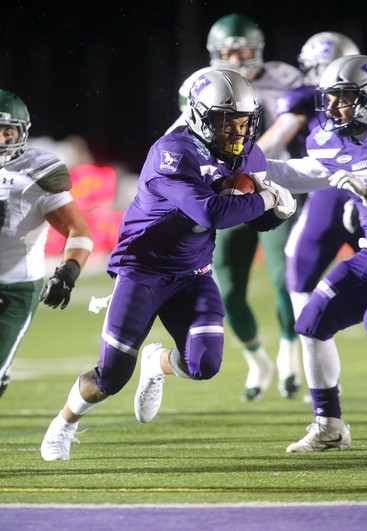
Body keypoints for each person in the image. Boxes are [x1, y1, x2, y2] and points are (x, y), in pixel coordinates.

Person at [40, 69, 296, 461]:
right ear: (198, 117)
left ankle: (157, 362)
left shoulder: (248, 153)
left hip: (192, 273)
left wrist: (277, 212)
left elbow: (253, 220)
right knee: (111, 377)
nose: (237, 134)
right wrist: (267, 200)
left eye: (244, 123)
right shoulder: (172, 152)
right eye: (226, 124)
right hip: (142, 271)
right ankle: (65, 423)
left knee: (205, 363)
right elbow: (210, 211)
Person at [169, 13, 304, 402]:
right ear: (214, 52)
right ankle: (257, 360)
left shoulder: (284, 79)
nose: (234, 55)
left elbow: (289, 128)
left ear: (257, 49)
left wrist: (255, 163)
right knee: (227, 287)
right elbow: (181, 133)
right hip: (227, 190)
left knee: (284, 278)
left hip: (273, 182)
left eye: (241, 48)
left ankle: (290, 357)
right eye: (227, 50)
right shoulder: (200, 84)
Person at [258, 54, 367, 452]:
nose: (332, 107)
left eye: (343, 97)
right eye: (330, 97)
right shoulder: (334, 138)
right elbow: (304, 173)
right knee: (311, 323)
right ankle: (329, 425)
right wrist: (247, 166)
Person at [0, 89, 93, 398]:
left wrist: (67, 272)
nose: (1, 140)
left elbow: (77, 229)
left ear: (21, 133)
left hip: (14, 287)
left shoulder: (35, 172)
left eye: (7, 131)